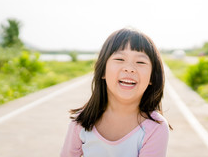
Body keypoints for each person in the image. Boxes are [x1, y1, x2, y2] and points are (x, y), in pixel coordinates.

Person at [60, 28, 170, 157]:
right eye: (119, 59)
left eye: (140, 62)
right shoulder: (81, 122)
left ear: (152, 77)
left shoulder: (155, 127)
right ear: (102, 71)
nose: (129, 68)